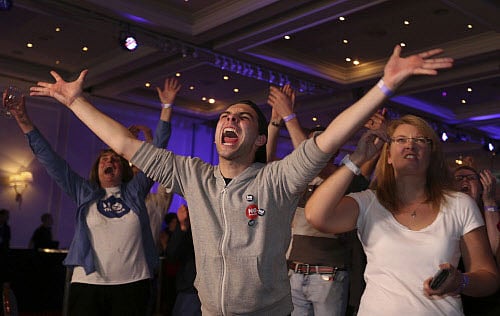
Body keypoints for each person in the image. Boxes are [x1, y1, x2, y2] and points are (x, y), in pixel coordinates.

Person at [29, 45, 453, 314]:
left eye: (243, 117)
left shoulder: (277, 179)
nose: (229, 119)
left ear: (254, 141)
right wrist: (74, 101)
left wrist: (384, 85)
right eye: (225, 116)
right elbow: (122, 143)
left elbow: (331, 140)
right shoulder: (192, 175)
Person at [304, 114, 500, 315]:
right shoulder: (369, 202)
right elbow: (316, 215)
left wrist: (460, 281)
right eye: (401, 140)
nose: (410, 145)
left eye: (419, 140)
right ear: (388, 156)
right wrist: (357, 158)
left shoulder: (459, 204)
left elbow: (489, 277)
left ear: (431, 154)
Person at [6, 89, 172, 315]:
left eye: (114, 159)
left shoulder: (135, 191)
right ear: (97, 168)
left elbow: (157, 157)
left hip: (133, 283)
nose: (109, 161)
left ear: (123, 168)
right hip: (88, 282)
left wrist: (166, 108)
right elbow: (51, 160)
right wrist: (24, 122)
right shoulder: (84, 192)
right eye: (104, 159)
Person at [266, 85, 383, 316]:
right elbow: (265, 164)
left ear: (334, 149)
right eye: (309, 144)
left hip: (328, 275)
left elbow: (314, 162)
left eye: (318, 145)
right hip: (294, 272)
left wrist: (290, 117)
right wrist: (275, 122)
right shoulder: (296, 180)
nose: (311, 151)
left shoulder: (344, 178)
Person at [453, 165, 500, 316]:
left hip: (489, 300)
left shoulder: (490, 212)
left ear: (481, 187)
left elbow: (495, 250)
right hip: (457, 298)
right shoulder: (444, 215)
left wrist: (489, 201)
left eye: (471, 178)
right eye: (459, 178)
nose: (465, 180)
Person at [165, 204, 201, 316]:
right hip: (191, 290)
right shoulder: (191, 221)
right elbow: (172, 256)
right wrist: (183, 226)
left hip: (221, 292)